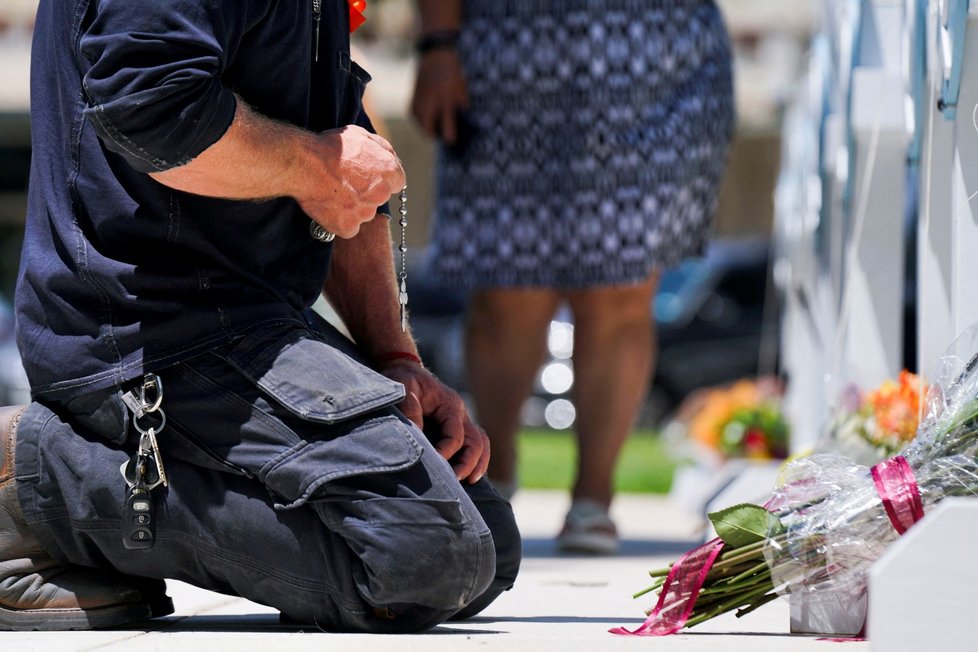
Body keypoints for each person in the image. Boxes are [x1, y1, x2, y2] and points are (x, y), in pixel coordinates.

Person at [0, 0, 520, 633]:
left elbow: (344, 165)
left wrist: (396, 358)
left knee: (482, 544)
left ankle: (105, 519)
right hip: (144, 333)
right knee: (428, 558)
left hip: (252, 327)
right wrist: (317, 166)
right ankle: (32, 478)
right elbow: (154, 107)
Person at [411, 0, 734, 553]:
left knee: (622, 286)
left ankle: (594, 499)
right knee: (508, 288)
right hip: (510, 54)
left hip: (661, 55)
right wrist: (438, 43)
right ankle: (494, 478)